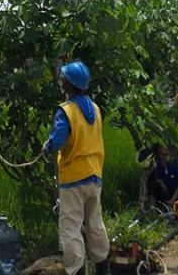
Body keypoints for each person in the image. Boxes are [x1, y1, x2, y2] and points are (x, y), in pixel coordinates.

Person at [42, 60, 111, 275]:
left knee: (70, 229)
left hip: (73, 178)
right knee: (95, 225)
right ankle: (103, 269)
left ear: (68, 84)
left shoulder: (66, 110)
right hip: (94, 175)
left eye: (63, 79)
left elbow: (59, 141)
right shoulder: (96, 109)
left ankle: (77, 271)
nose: (61, 81)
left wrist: (48, 145)